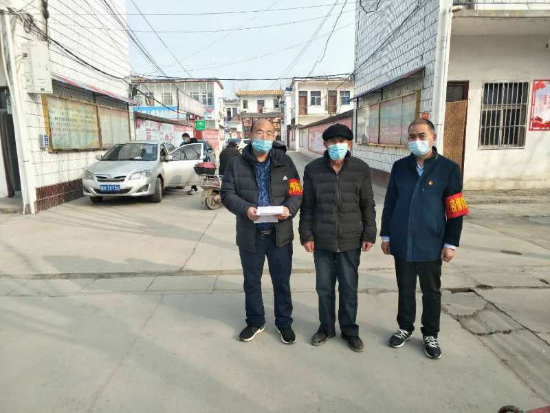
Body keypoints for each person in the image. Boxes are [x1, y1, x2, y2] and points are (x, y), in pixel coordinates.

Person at [381, 118, 468, 360]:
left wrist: (450, 243)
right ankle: (405, 328)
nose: (416, 140)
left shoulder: (448, 169)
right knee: (405, 288)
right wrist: (386, 235)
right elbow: (390, 203)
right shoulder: (400, 167)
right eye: (412, 136)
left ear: (433, 138)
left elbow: (456, 209)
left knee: (431, 291)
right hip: (402, 240)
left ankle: (430, 334)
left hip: (432, 242)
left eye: (421, 136)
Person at [221, 118, 303, 344]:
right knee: (251, 282)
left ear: (274, 136)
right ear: (250, 135)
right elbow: (227, 194)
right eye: (259, 132)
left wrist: (289, 209)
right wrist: (245, 209)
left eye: (269, 133)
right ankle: (255, 321)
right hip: (250, 235)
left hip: (280, 235)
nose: (264, 137)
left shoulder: (286, 162)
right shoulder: (236, 164)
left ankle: (284, 323)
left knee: (282, 282)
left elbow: (296, 191)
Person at [299, 123, 377, 353]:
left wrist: (369, 233)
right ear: (325, 144)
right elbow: (307, 206)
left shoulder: (361, 169)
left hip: (351, 239)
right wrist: (306, 235)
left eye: (342, 142)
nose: (337, 146)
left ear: (349, 144)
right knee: (324, 288)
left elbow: (367, 204)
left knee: (349, 288)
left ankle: (350, 331)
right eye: (333, 142)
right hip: (322, 239)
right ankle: (326, 328)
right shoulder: (313, 170)